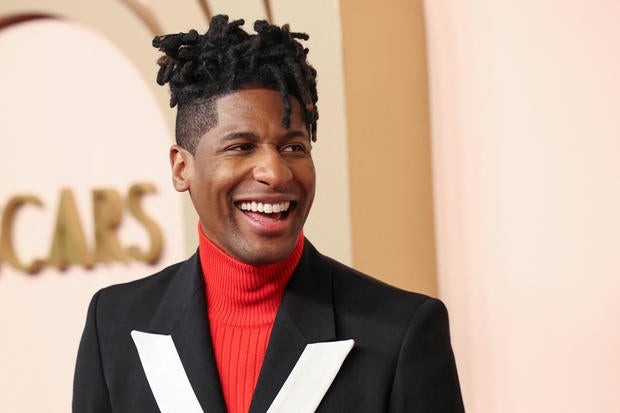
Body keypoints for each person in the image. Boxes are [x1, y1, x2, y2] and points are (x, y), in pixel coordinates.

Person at [72, 15, 464, 413]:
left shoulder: (400, 332)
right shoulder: (115, 325)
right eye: (241, 147)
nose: (275, 173)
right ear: (181, 168)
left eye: (294, 147)